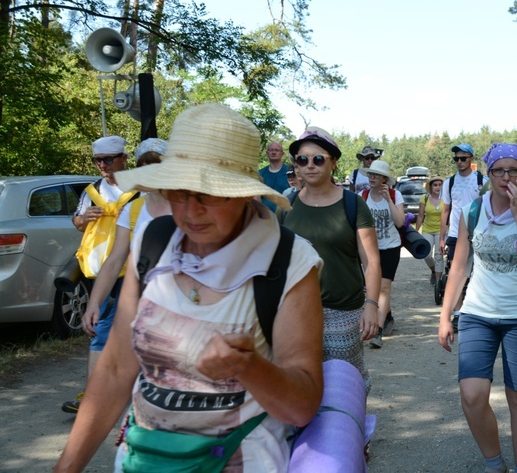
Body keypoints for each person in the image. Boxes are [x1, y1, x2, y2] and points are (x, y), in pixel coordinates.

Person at [55, 104, 324, 472]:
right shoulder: (153, 241)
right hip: (143, 459)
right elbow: (116, 369)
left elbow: (301, 406)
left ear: (244, 194)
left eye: (208, 194)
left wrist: (249, 367)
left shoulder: (289, 261)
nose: (189, 211)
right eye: (177, 192)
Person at [438, 143, 517, 473]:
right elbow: (459, 267)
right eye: (498, 170)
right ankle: (494, 463)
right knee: (472, 395)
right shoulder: (473, 210)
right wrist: (445, 316)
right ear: (488, 173)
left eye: (513, 170)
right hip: (477, 314)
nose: (505, 177)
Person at [282, 127, 381, 393]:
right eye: (302, 159)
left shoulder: (352, 204)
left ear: (333, 162)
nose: (309, 165)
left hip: (343, 312)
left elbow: (371, 261)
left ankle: (350, 433)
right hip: (296, 314)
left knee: (344, 384)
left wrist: (372, 304)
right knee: (302, 385)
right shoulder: (285, 206)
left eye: (318, 159)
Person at [62, 135, 134, 414]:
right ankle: (96, 392)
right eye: (98, 160)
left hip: (134, 269)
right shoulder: (92, 190)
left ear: (124, 159)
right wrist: (84, 218)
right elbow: (77, 222)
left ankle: (98, 394)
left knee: (111, 330)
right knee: (105, 329)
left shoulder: (139, 189)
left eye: (108, 159)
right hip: (101, 271)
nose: (102, 165)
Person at [82, 138, 170, 339]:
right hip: (143, 300)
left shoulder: (187, 207)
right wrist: (94, 302)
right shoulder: (132, 209)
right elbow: (114, 260)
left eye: (154, 168)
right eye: (142, 168)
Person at [439, 143, 487, 330]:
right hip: (455, 235)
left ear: (471, 159)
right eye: (456, 159)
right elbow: (445, 211)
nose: (459, 162)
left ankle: (478, 311)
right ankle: (458, 314)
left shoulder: (481, 181)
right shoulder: (448, 183)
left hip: (479, 233)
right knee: (455, 274)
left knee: (480, 274)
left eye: (463, 158)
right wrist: (442, 238)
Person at [358, 160, 405, 349]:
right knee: (370, 289)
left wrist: (389, 201)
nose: (372, 177)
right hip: (369, 248)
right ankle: (388, 316)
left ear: (385, 178)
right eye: (370, 174)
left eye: (376, 175)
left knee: (384, 289)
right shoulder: (362, 196)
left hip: (390, 247)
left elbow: (400, 222)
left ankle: (376, 330)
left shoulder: (395, 195)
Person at [415, 175, 445, 286]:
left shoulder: (446, 198)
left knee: (439, 256)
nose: (438, 187)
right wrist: (416, 231)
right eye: (435, 185)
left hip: (440, 230)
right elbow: (420, 216)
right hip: (427, 229)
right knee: (426, 254)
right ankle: (433, 270)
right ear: (431, 187)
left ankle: (438, 282)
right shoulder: (425, 198)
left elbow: (449, 216)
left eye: (440, 185)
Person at [258, 141, 290, 212]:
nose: (273, 152)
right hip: (265, 216)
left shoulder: (290, 173)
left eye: (276, 150)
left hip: (285, 216)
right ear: (267, 153)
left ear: (282, 153)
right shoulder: (260, 174)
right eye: (271, 150)